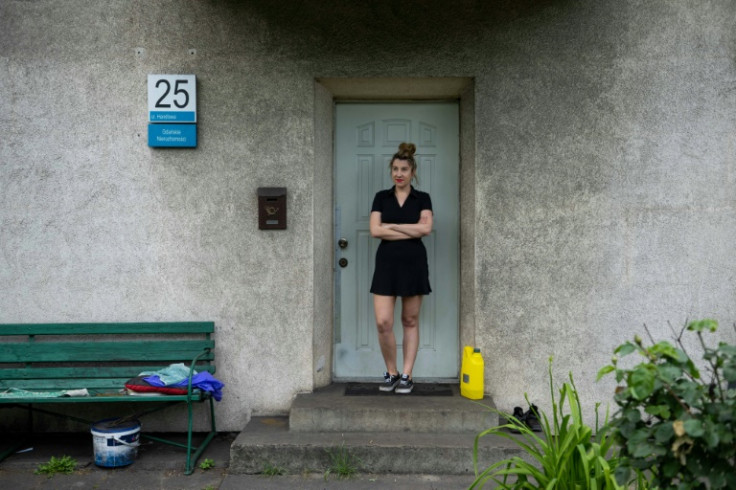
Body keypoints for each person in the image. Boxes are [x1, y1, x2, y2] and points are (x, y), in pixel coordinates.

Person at [369, 142, 433, 394]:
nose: (399, 173)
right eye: (395, 168)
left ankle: (407, 374)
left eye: (404, 169)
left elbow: (426, 229)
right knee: (384, 322)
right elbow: (375, 230)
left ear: (412, 172)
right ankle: (391, 372)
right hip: (386, 264)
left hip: (414, 264)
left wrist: (392, 226)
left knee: (409, 320)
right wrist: (410, 229)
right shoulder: (380, 197)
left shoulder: (423, 198)